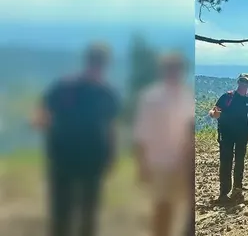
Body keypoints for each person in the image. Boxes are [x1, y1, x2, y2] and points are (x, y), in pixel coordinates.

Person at [33, 43, 120, 236]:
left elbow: (111, 128)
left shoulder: (72, 88)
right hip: (70, 160)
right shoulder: (102, 93)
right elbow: (41, 116)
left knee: (78, 214)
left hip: (81, 160)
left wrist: (111, 155)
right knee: (71, 214)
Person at [133, 52, 194, 236]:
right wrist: (142, 164)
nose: (174, 72)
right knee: (162, 209)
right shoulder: (151, 97)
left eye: (177, 68)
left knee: (181, 209)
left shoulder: (186, 96)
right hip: (159, 162)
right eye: (170, 68)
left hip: (182, 162)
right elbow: (141, 133)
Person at [208, 73, 248, 201]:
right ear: (238, 82)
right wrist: (214, 115)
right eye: (241, 81)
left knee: (240, 161)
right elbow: (213, 110)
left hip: (242, 134)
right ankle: (224, 192)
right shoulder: (227, 96)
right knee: (226, 162)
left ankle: (237, 188)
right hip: (226, 133)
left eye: (246, 82)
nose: (243, 84)